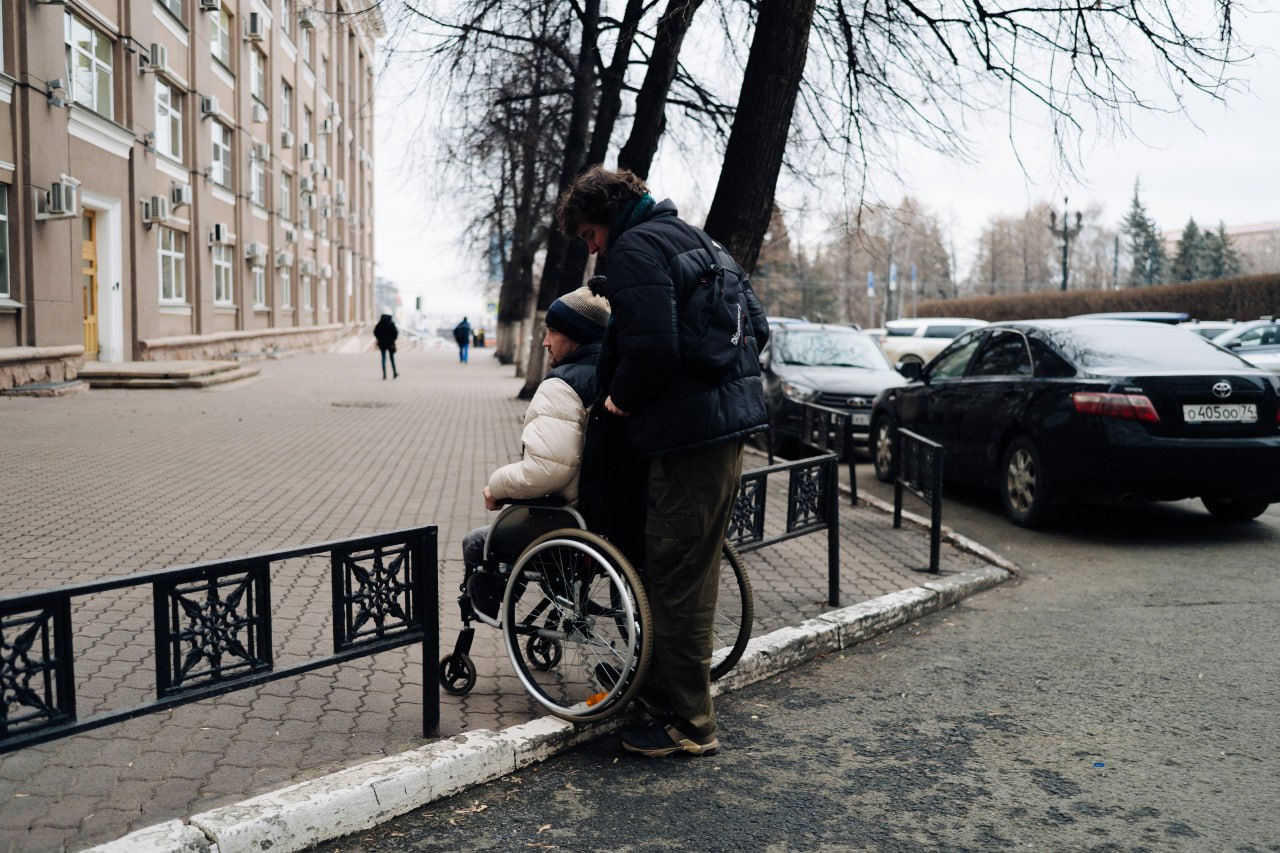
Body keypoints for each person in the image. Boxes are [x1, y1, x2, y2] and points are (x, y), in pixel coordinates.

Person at [557, 165, 770, 758]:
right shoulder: (703, 241)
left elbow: (651, 349)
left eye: (589, 236)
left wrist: (620, 397)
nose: (593, 248)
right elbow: (760, 326)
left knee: (675, 580)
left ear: (604, 218)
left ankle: (688, 723)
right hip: (726, 434)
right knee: (685, 573)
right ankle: (666, 699)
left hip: (685, 443)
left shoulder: (635, 249)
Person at [460, 286, 611, 572]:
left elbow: (547, 470)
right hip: (616, 518)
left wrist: (496, 486)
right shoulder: (621, 376)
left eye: (552, 331)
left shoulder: (562, 386)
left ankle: (495, 612)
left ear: (576, 335)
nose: (544, 342)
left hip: (571, 519)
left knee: (475, 543)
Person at [373, 313, 399, 379]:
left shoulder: (379, 324)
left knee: (383, 358)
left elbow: (375, 332)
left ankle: (384, 374)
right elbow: (395, 333)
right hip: (390, 344)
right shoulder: (391, 324)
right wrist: (393, 339)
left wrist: (379, 338)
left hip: (382, 343)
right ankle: (394, 373)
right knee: (392, 358)